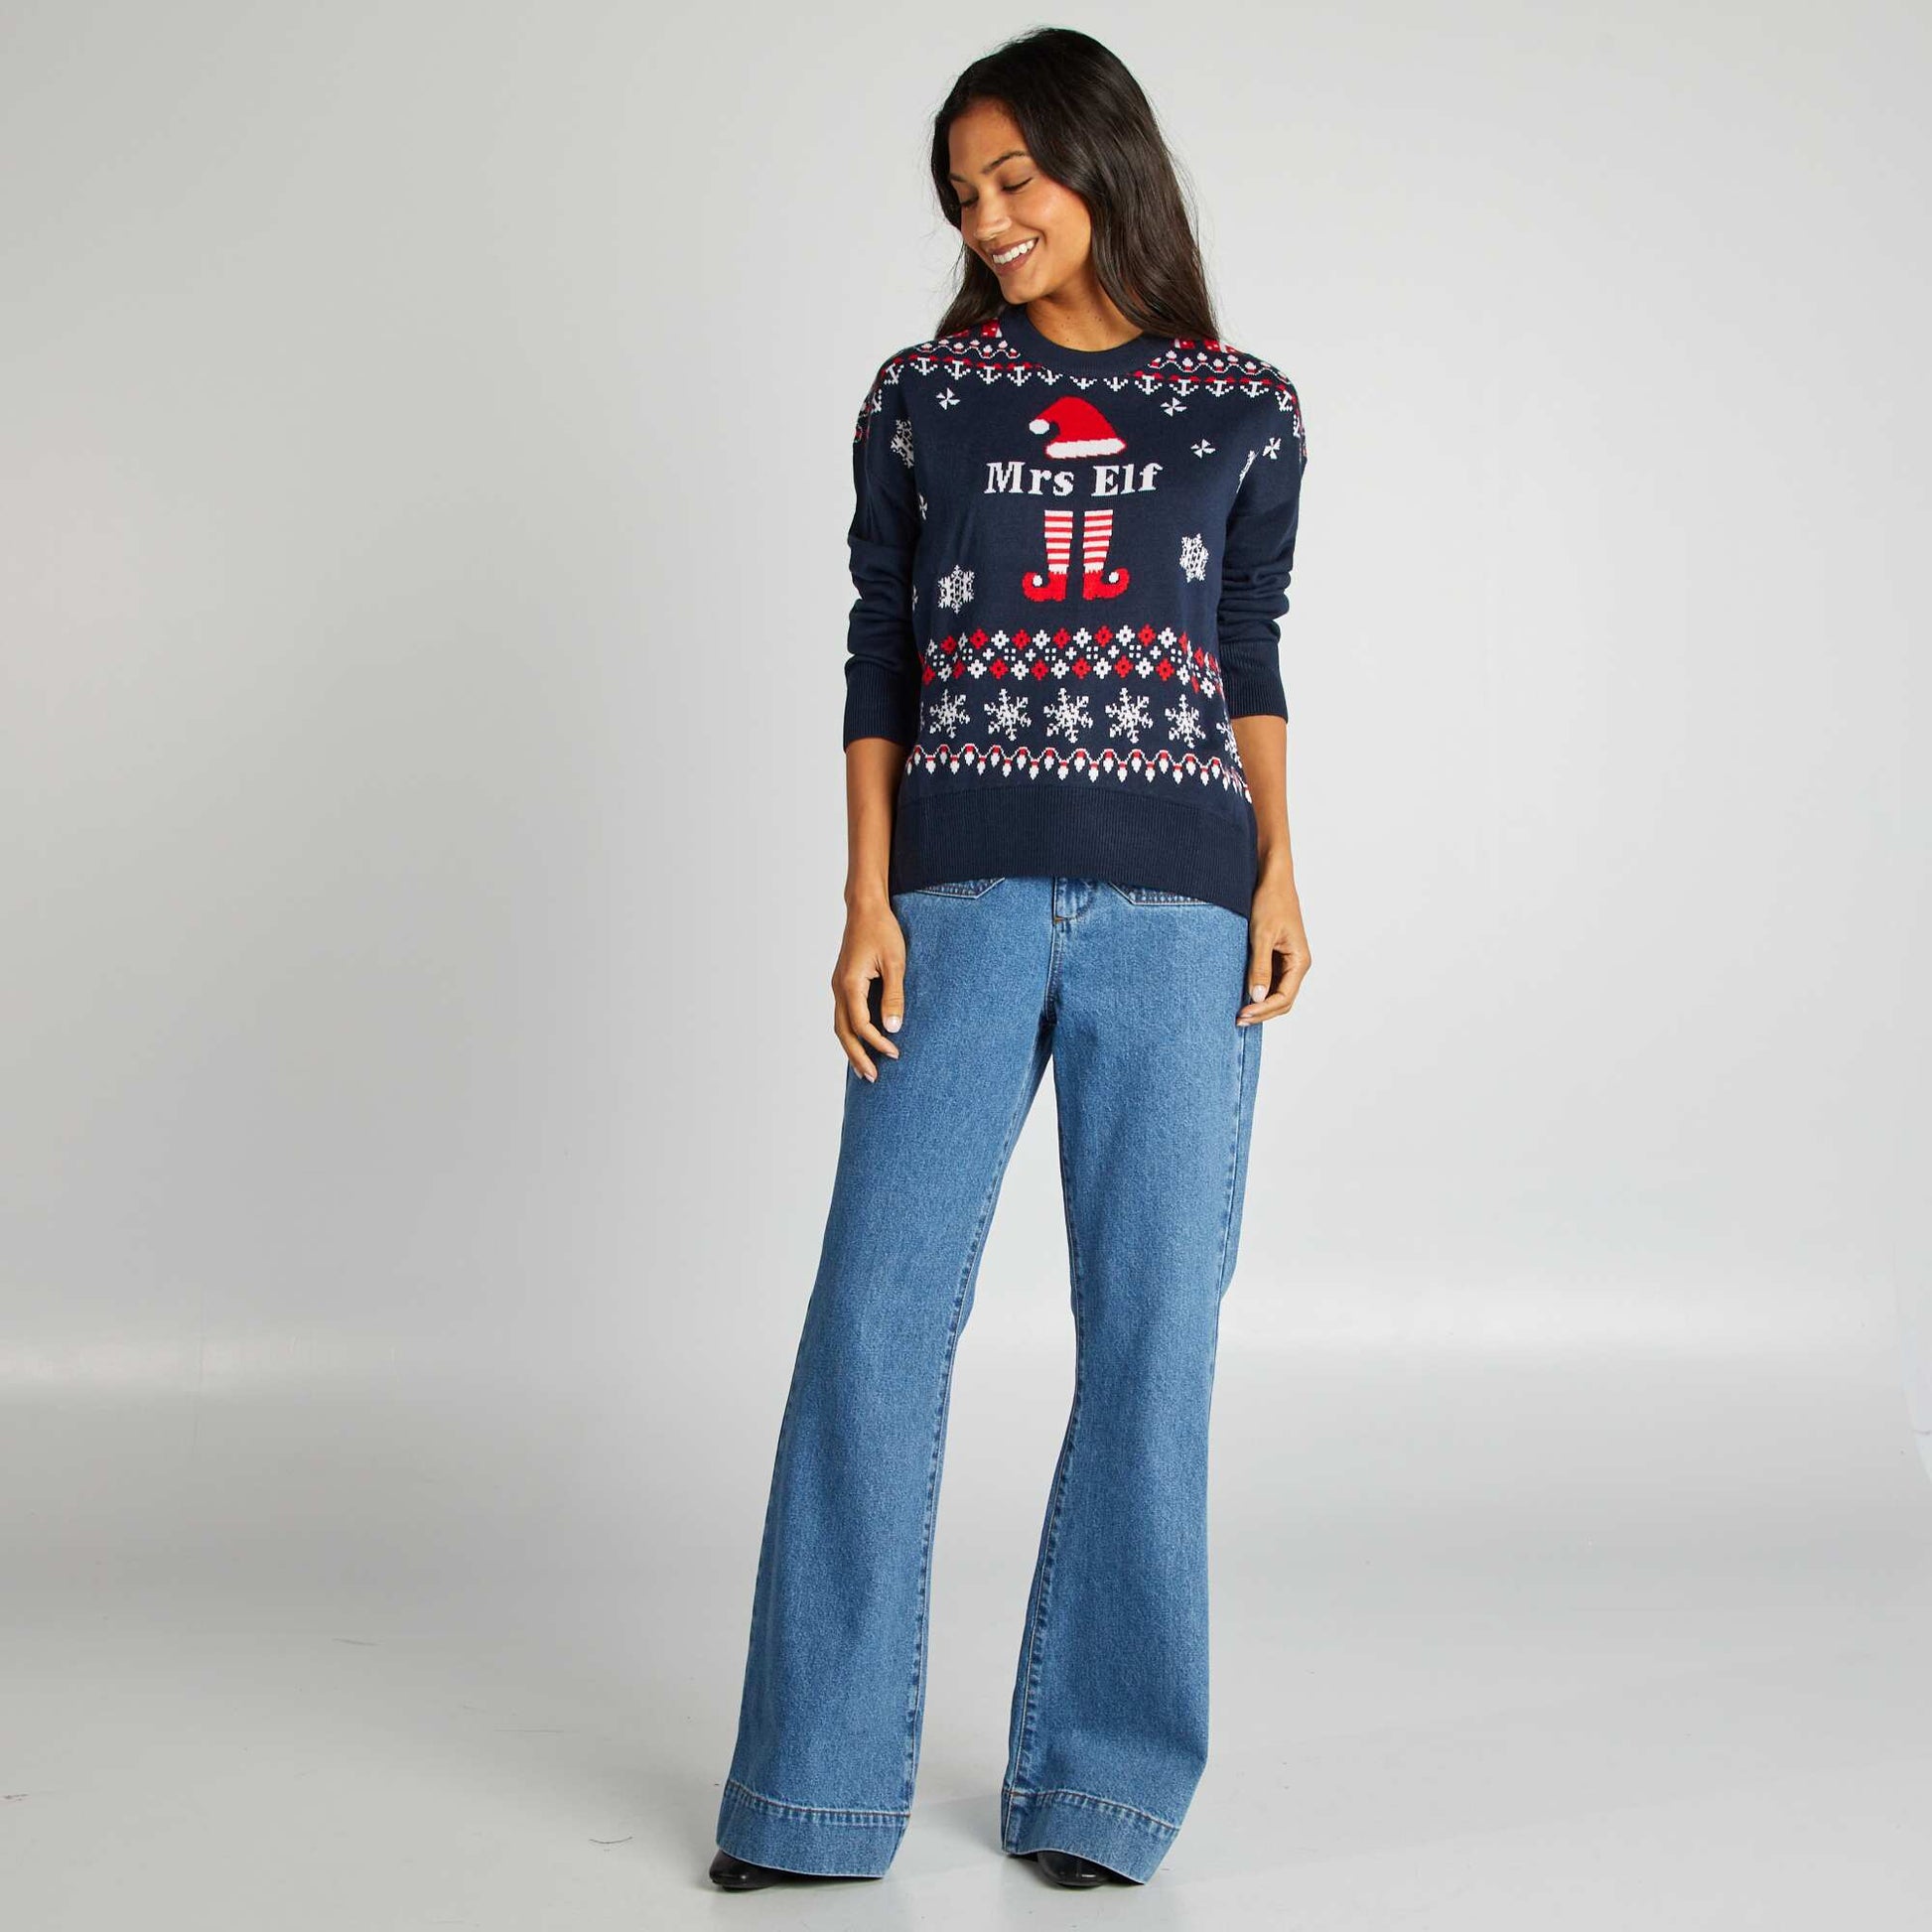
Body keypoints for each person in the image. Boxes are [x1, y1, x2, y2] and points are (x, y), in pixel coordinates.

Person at [708, 25, 1311, 1892]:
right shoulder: (926, 398)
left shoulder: (1241, 406)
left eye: (1013, 181)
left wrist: (1282, 870)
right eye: (962, 197)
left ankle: (1102, 1786)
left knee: (1152, 1338)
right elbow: (879, 650)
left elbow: (1245, 645)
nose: (985, 221)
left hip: (1182, 910)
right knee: (874, 1322)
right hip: (954, 903)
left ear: (1098, 163)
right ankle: (812, 1796)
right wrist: (863, 897)